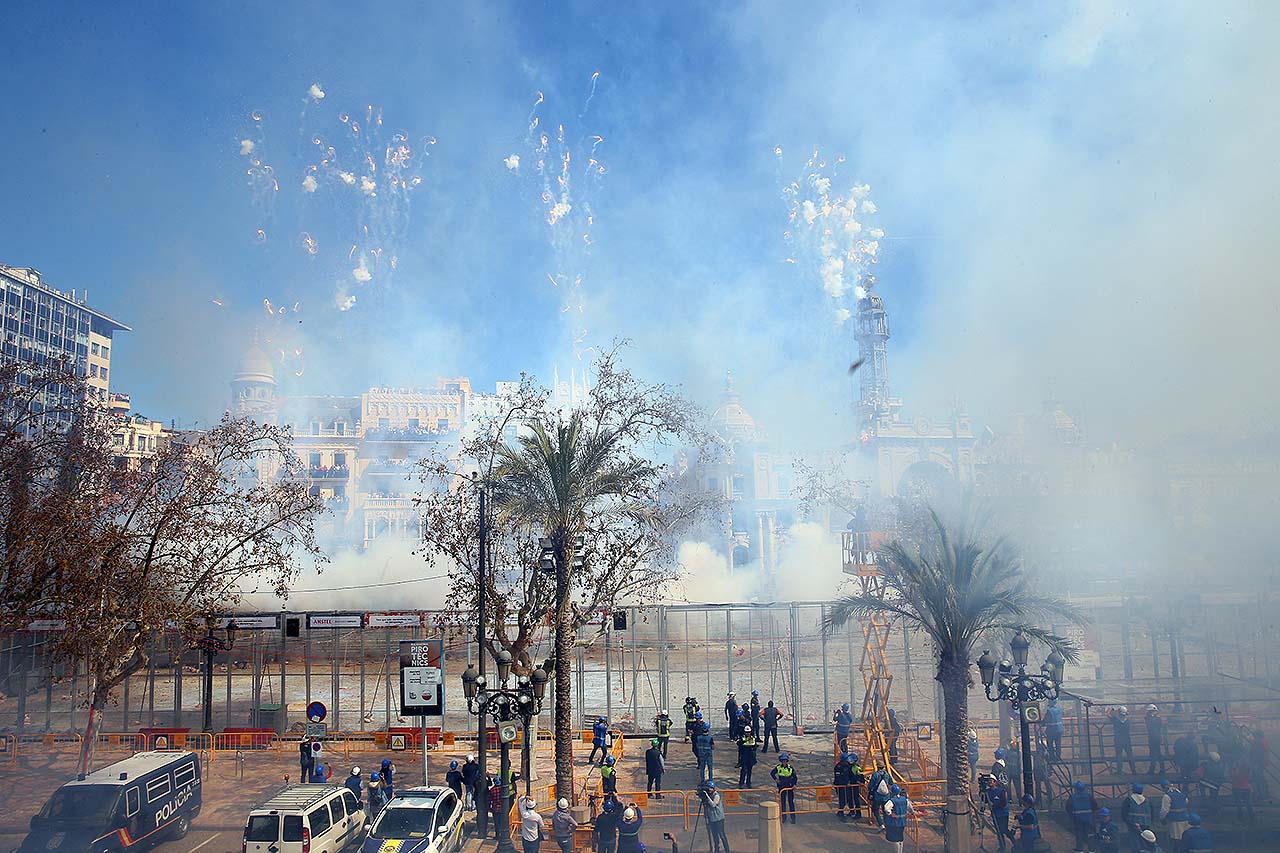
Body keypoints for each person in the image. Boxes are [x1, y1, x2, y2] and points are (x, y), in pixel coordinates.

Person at [699, 780, 731, 853]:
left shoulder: (716, 795)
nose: (709, 790)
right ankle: (717, 850)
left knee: (722, 836)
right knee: (715, 837)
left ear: (713, 788)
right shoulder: (709, 795)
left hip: (719, 819)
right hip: (711, 819)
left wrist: (707, 796)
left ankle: (727, 850)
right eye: (708, 788)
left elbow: (713, 804)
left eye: (710, 788)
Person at [1121, 783, 1154, 851]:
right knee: (1146, 843)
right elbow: (1153, 813)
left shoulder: (1128, 800)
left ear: (1133, 790)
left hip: (1133, 826)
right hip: (1146, 825)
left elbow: (1123, 813)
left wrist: (1128, 822)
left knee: (1135, 844)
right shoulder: (1148, 801)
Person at [1068, 780, 1098, 852]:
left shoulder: (1072, 797)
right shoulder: (1088, 796)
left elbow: (1068, 807)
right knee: (1090, 834)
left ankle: (1080, 849)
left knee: (1079, 834)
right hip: (1089, 818)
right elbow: (1095, 805)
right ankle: (1092, 850)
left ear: (1076, 789)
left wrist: (1072, 815)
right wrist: (1091, 812)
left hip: (1077, 819)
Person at [883, 784, 912, 853]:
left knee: (895, 839)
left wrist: (890, 813)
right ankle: (900, 851)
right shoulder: (904, 800)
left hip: (894, 823)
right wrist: (912, 812)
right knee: (900, 838)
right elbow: (910, 807)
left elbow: (886, 808)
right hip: (902, 822)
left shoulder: (892, 801)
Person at [1159, 779, 1190, 844]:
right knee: (1184, 837)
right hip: (1185, 818)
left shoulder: (1167, 796)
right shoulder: (1179, 792)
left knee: (1176, 839)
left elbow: (1164, 810)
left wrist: (1162, 819)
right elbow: (1186, 801)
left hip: (1175, 820)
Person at [771, 753, 798, 825]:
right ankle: (784, 817)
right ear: (781, 761)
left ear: (787, 761)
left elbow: (795, 777)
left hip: (789, 786)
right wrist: (776, 779)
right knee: (782, 802)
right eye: (783, 760)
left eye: (785, 760)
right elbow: (772, 773)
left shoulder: (790, 768)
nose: (784, 762)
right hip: (781, 787)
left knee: (791, 802)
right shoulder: (778, 767)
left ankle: (793, 818)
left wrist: (794, 785)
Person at [987, 776, 1012, 851]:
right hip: (995, 814)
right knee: (999, 831)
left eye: (991, 781)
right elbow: (984, 800)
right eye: (989, 781)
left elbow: (1004, 803)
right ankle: (1002, 846)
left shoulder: (1001, 791)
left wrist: (994, 805)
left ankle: (1014, 841)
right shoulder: (988, 792)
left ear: (995, 782)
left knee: (1004, 830)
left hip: (1003, 814)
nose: (989, 782)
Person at [1228, 758, 1254, 825]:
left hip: (1237, 789)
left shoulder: (1237, 770)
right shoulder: (1248, 769)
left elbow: (1232, 775)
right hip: (1247, 788)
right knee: (1248, 804)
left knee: (1239, 805)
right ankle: (1252, 817)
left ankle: (1240, 819)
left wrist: (1234, 768)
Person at [1112, 707, 1137, 774]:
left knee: (1119, 756)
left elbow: (1109, 715)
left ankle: (1120, 770)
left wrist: (1112, 710)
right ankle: (1133, 770)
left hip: (1118, 740)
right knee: (1130, 755)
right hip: (1127, 740)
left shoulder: (1116, 720)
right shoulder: (1128, 722)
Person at [868, 764, 892, 829]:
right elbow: (891, 782)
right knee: (885, 810)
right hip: (886, 796)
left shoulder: (875, 774)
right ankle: (887, 824)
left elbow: (870, 786)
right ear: (883, 767)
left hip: (877, 796)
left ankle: (881, 824)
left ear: (877, 767)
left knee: (875, 810)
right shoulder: (887, 774)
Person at [1145, 705, 1167, 776]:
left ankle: (1152, 770)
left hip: (1153, 738)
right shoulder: (1157, 718)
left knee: (1154, 755)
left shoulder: (1150, 718)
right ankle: (1161, 769)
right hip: (1157, 738)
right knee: (1158, 754)